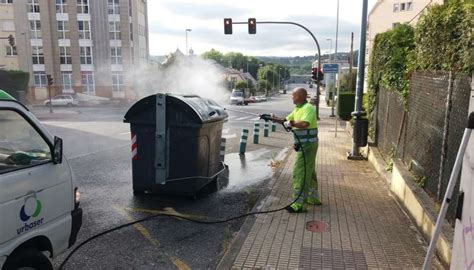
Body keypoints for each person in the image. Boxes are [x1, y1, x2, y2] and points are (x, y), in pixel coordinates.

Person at [268, 87, 321, 213]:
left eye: (294, 95)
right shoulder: (298, 108)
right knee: (309, 170)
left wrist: (291, 123)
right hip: (305, 145)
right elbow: (286, 121)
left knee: (300, 173)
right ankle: (313, 198)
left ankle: (299, 205)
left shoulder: (308, 108)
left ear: (301, 97)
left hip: (307, 146)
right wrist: (271, 118)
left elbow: (304, 124)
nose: (292, 97)